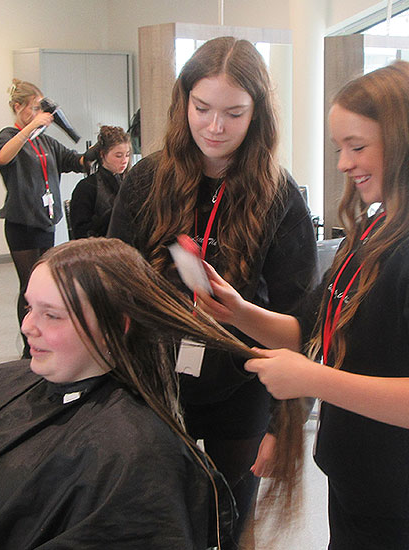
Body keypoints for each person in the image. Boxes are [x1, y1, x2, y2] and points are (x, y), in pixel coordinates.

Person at [197, 61, 409, 549]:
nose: (343, 163)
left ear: (406, 142)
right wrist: (239, 312)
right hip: (358, 476)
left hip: (403, 496)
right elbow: (311, 328)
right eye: (340, 148)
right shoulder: (376, 229)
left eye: (356, 147)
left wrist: (312, 379)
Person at [0, 237, 261, 550]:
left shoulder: (138, 455)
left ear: (117, 326)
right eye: (30, 307)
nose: (27, 326)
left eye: (52, 315)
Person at [108, 36, 317, 543]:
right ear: (183, 101)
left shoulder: (281, 197)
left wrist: (281, 428)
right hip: (154, 381)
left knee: (231, 520)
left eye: (234, 113)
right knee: (156, 519)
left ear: (257, 113)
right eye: (202, 108)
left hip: (242, 387)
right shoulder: (146, 180)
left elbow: (303, 328)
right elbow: (111, 284)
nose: (215, 127)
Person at [0, 78, 95, 358]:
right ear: (18, 107)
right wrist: (31, 127)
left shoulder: (46, 142)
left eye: (40, 108)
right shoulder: (8, 137)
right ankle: (28, 348)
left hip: (45, 221)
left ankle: (44, 338)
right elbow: (3, 157)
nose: (40, 113)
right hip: (21, 223)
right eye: (34, 107)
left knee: (42, 287)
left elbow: (75, 161)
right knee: (28, 287)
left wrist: (93, 154)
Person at [69, 125, 130, 239]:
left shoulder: (128, 183)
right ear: (102, 154)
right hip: (98, 246)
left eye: (127, 155)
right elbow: (81, 232)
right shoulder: (86, 187)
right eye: (118, 156)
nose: (124, 160)